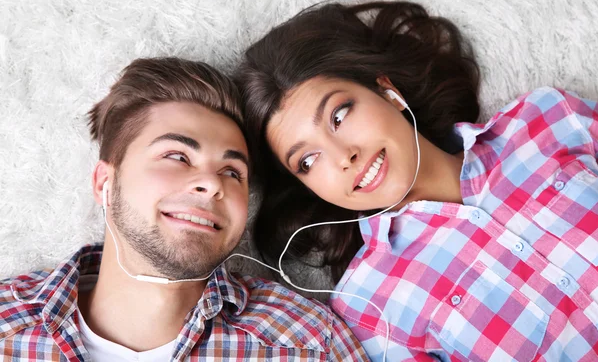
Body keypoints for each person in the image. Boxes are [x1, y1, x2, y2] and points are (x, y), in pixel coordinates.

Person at [237, 0, 598, 361]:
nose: (343, 157)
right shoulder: (370, 308)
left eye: (339, 115)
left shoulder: (545, 119)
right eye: (308, 160)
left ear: (388, 93)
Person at [0, 57, 369, 361]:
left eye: (231, 171)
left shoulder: (307, 342)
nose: (211, 183)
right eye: (177, 156)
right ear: (103, 183)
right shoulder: (7, 324)